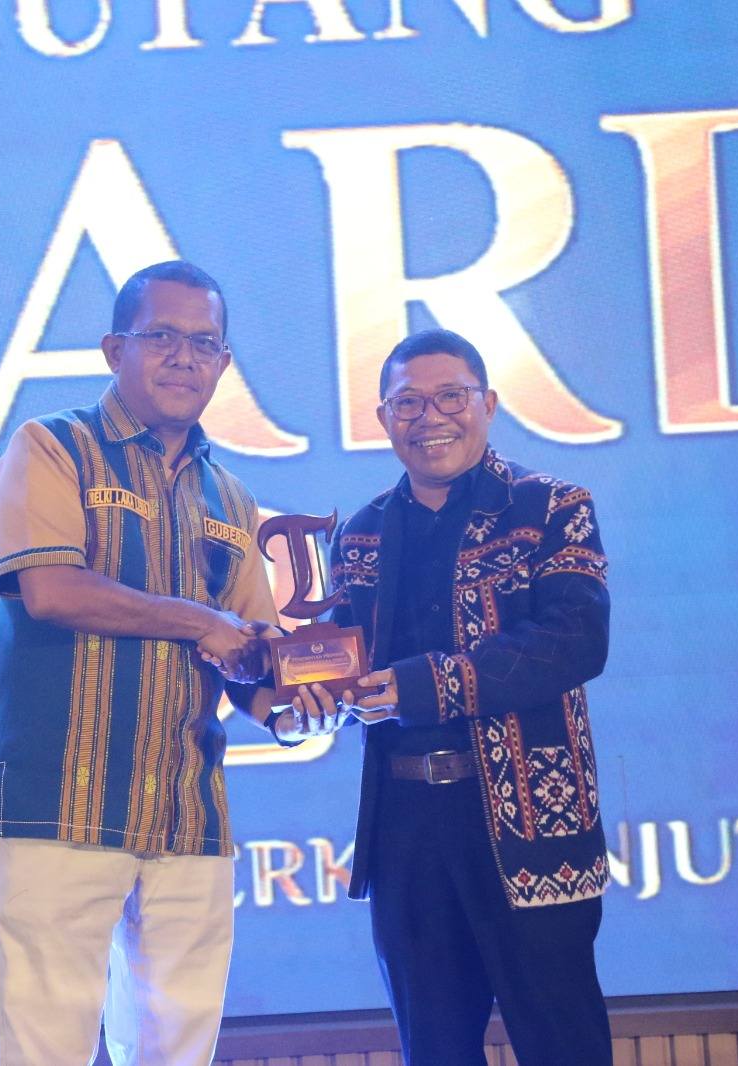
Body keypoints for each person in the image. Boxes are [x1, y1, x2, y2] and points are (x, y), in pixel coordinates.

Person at [0, 260, 314, 1065]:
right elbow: (51, 590)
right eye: (161, 336)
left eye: (203, 343)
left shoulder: (230, 497)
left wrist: (303, 699)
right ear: (113, 349)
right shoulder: (53, 447)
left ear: (223, 363)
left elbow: (248, 655)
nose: (183, 357)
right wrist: (201, 621)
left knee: (178, 1052)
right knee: (48, 1049)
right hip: (60, 804)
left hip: (187, 813)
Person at [293, 328, 614, 1066]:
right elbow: (343, 658)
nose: (429, 416)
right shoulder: (362, 534)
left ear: (488, 405)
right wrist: (292, 684)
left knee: (562, 1044)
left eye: (450, 397)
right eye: (408, 403)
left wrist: (421, 685)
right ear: (383, 417)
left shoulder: (550, 507)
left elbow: (576, 639)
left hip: (530, 824)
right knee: (434, 1048)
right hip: (406, 830)